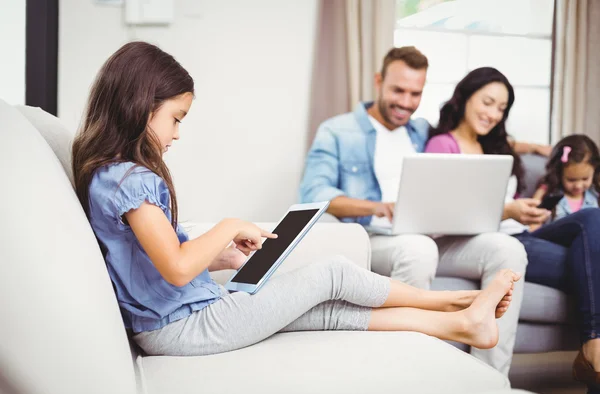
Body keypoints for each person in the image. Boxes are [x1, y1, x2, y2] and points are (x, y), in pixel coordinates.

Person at [70, 41, 519, 359]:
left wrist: (220, 258)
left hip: (184, 318)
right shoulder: (128, 180)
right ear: (139, 105)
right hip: (184, 327)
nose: (177, 133)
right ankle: (458, 301)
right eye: (176, 118)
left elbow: (156, 264)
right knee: (334, 274)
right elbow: (175, 267)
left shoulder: (115, 176)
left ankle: (462, 322)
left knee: (327, 310)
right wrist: (228, 225)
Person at [299, 46, 527, 375]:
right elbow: (313, 195)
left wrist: (544, 148)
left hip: (433, 235)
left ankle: (490, 378)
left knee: (508, 248)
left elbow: (471, 138)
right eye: (398, 91)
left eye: (415, 93)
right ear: (378, 81)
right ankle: (406, 374)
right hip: (375, 236)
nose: (406, 102)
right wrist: (378, 207)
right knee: (418, 248)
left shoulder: (420, 131)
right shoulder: (338, 131)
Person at [425, 66, 600, 394]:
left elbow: (517, 154)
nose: (493, 114)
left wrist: (537, 155)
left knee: (591, 219)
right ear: (465, 97)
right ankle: (594, 361)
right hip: (494, 242)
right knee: (591, 260)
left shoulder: (496, 145)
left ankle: (593, 347)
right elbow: (441, 211)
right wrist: (506, 210)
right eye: (487, 102)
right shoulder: (441, 145)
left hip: (524, 232)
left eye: (501, 109)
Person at [531, 134, 600, 228]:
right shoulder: (549, 193)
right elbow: (533, 220)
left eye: (585, 179)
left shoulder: (595, 193)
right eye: (571, 180)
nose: (578, 186)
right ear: (558, 174)